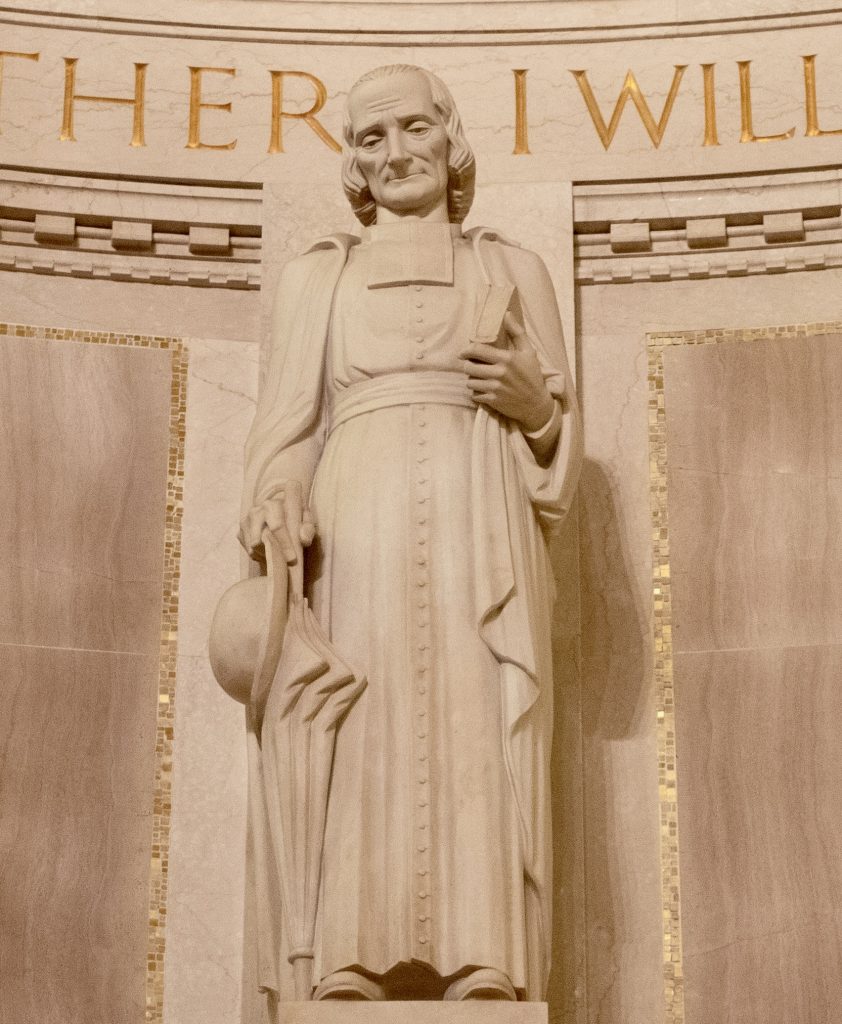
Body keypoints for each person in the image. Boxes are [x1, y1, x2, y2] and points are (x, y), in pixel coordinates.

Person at [238, 63, 582, 1005]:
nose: (395, 153)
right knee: (360, 725)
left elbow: (557, 445)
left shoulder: (512, 268)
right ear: (353, 162)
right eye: (371, 138)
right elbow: (284, 433)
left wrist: (536, 413)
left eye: (413, 129)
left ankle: (492, 960)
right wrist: (278, 500)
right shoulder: (323, 276)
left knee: (477, 722)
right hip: (358, 532)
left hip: (485, 526)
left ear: (451, 137)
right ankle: (346, 956)